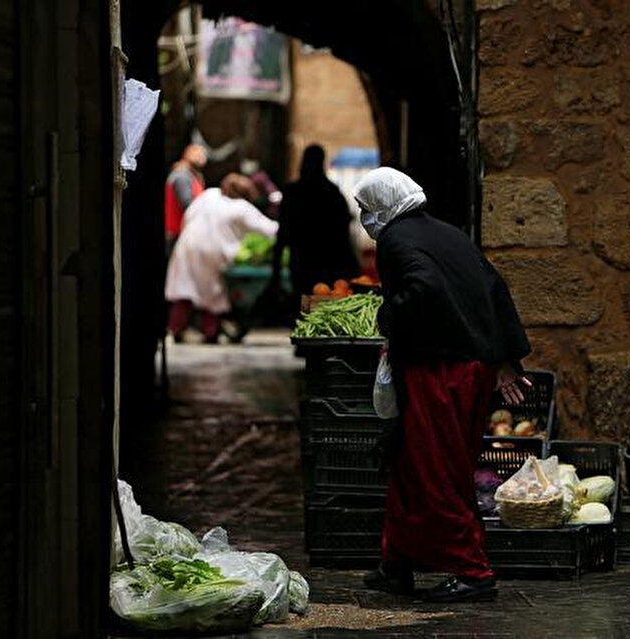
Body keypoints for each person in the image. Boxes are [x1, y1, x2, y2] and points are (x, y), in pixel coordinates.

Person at [353, 167, 532, 603]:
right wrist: (505, 358)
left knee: (436, 469)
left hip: (440, 372)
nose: (363, 216)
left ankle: (473, 571)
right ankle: (397, 562)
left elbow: (425, 287)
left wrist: (389, 319)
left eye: (364, 207)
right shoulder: (446, 233)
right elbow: (493, 286)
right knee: (412, 465)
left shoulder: (397, 240)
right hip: (470, 369)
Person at [165, 173, 278, 343]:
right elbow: (270, 229)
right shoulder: (242, 207)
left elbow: (188, 213)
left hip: (187, 244)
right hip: (213, 251)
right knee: (212, 293)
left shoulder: (209, 194)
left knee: (184, 290)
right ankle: (210, 331)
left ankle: (175, 329)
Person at [271, 145, 358, 318]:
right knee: (322, 307)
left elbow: (283, 233)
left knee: (305, 308)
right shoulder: (332, 193)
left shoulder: (293, 192)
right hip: (326, 261)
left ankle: (305, 340)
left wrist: (277, 268)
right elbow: (343, 231)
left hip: (303, 261)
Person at [165, 144, 207, 256]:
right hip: (177, 234)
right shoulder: (182, 176)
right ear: (186, 155)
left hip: (183, 232)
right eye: (197, 153)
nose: (201, 157)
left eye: (203, 154)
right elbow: (187, 205)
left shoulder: (191, 175)